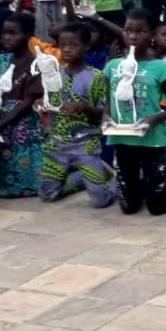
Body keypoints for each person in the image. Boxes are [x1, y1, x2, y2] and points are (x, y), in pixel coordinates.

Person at [103, 9, 166, 216]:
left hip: (151, 139)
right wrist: (106, 116)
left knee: (157, 208)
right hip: (121, 137)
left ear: (152, 34)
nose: (133, 36)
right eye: (128, 31)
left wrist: (154, 118)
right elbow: (107, 100)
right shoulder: (112, 67)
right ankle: (140, 185)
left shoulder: (160, 68)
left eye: (141, 32)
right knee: (129, 208)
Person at [39, 22, 115, 208]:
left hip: (86, 144)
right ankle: (81, 179)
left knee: (100, 201)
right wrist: (41, 104)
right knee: (47, 195)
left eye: (73, 45)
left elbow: (105, 112)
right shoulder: (54, 75)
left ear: (86, 46)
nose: (66, 50)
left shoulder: (97, 77)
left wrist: (84, 107)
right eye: (62, 45)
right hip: (58, 144)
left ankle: (117, 182)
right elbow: (50, 103)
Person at [0, 13, 44, 198]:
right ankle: (3, 183)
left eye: (13, 33)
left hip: (21, 119)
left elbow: (27, 103)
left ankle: (26, 185)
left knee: (21, 151)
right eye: (4, 33)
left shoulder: (35, 62)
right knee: (1, 154)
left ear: (28, 34)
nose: (7, 37)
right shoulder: (0, 60)